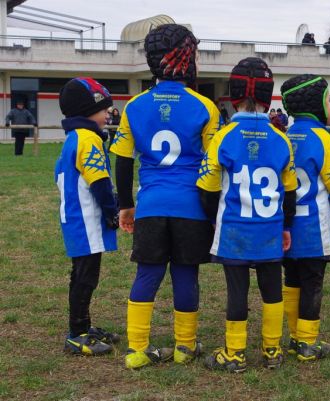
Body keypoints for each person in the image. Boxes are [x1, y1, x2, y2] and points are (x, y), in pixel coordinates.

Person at [111, 24, 221, 369]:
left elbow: (124, 159)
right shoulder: (205, 107)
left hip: (151, 205)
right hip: (191, 206)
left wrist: (126, 206)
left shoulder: (134, 106)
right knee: (186, 274)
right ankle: (185, 347)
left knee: (148, 273)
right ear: (188, 60)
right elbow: (214, 165)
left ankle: (137, 349)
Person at [198, 57, 297, 373]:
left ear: (233, 93)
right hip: (269, 227)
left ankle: (235, 352)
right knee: (272, 289)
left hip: (235, 230)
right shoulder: (282, 139)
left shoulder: (223, 137)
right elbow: (290, 191)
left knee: (237, 290)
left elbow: (207, 186)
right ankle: (272, 350)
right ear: (269, 97)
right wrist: (287, 227)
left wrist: (214, 219)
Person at [280, 74, 330, 361]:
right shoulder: (325, 140)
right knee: (312, 282)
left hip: (284, 228)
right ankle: (307, 343)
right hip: (312, 229)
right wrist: (322, 207)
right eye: (329, 99)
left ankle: (295, 337)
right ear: (317, 103)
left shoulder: (283, 137)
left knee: (291, 279)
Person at [55, 77, 120, 356]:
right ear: (85, 110)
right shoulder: (88, 138)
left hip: (75, 217)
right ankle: (77, 333)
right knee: (85, 276)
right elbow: (100, 182)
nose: (109, 113)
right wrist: (112, 211)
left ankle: (83, 326)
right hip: (85, 218)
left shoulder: (74, 138)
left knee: (83, 273)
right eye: (103, 107)